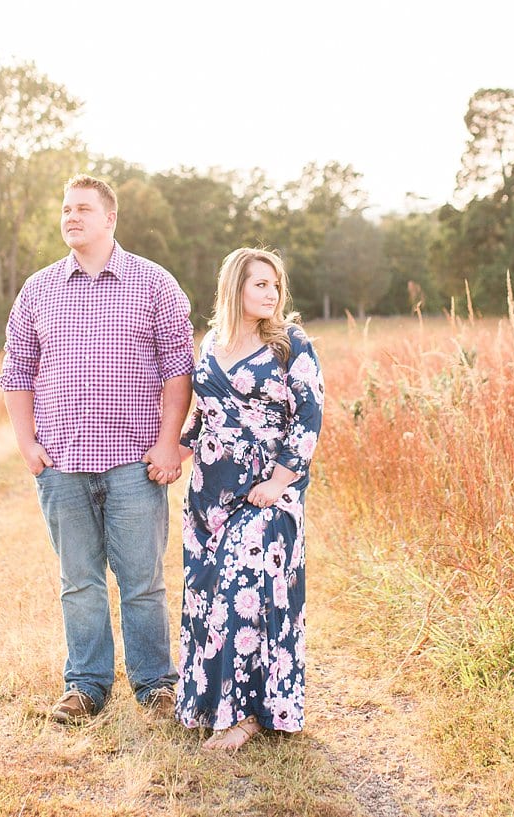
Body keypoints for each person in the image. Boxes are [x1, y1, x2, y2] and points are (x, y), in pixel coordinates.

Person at [0, 174, 194, 723]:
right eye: (65, 209)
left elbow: (179, 370)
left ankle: (156, 685)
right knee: (79, 581)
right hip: (61, 466)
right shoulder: (37, 289)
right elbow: (16, 371)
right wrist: (26, 443)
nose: (71, 217)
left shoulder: (153, 283)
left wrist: (169, 443)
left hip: (135, 463)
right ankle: (85, 686)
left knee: (143, 582)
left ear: (110, 219)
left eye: (83, 208)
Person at [175, 247, 325, 751]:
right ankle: (207, 701)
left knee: (244, 593)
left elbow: (309, 420)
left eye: (275, 285)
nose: (271, 293)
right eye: (260, 283)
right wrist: (173, 454)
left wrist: (279, 482)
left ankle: (248, 715)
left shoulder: (291, 346)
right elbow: (204, 414)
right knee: (205, 593)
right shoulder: (211, 342)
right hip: (208, 493)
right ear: (234, 286)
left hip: (267, 493)